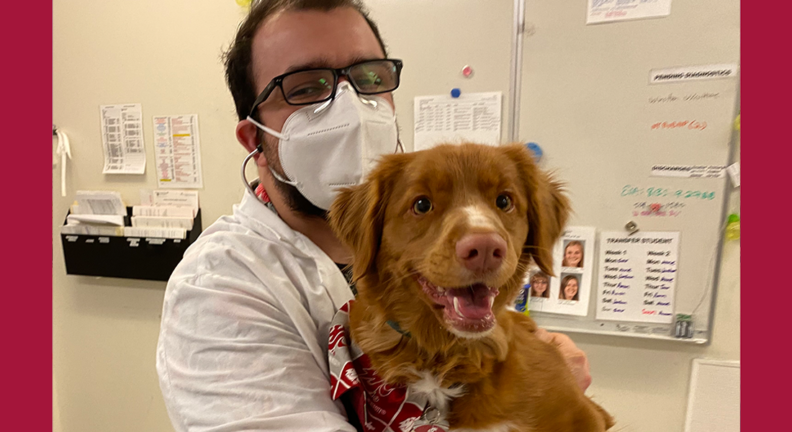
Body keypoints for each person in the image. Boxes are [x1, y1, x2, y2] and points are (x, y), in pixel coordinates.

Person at [156, 1, 593, 431]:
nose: (349, 105)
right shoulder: (218, 286)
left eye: (369, 79)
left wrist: (541, 380)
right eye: (305, 87)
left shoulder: (417, 226)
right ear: (254, 137)